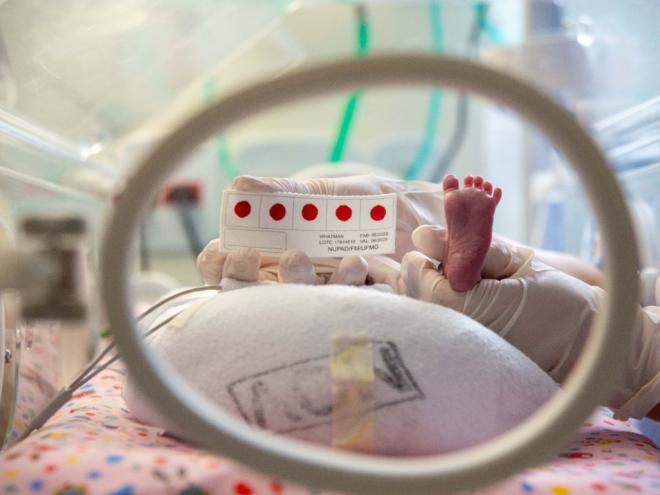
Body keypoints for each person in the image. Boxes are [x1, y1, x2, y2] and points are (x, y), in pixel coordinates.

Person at [197, 173, 659, 422]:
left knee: (363, 316)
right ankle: (459, 261)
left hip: (386, 358)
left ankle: (445, 265)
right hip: (452, 370)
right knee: (383, 303)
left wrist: (612, 346)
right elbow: (614, 287)